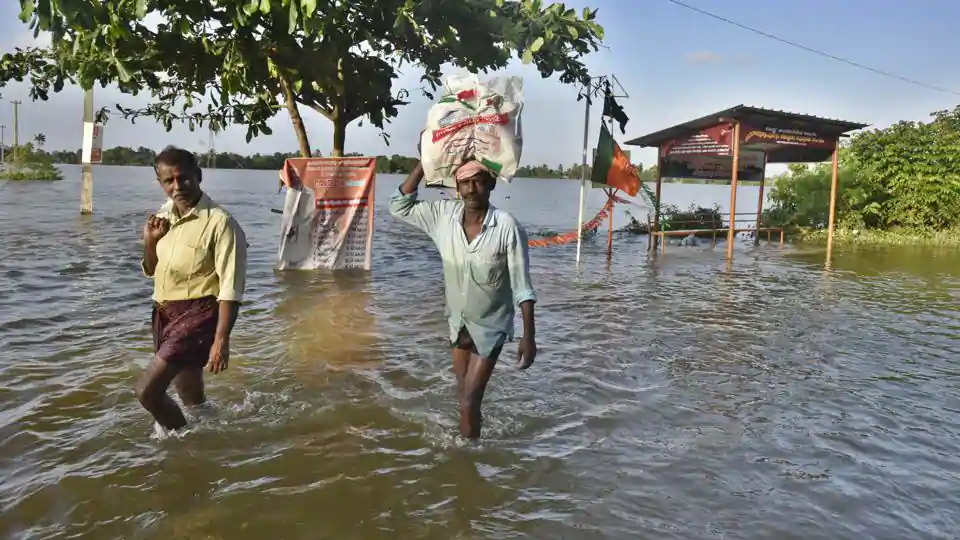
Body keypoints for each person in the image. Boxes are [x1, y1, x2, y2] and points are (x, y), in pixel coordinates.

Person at [389, 158, 537, 439]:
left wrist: (528, 337)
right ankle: (473, 441)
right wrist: (425, 162)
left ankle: (468, 459)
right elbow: (398, 205)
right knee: (464, 397)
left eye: (478, 181)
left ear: (491, 184)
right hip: (458, 323)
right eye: (465, 183)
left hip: (491, 326)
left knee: (469, 400)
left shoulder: (507, 227)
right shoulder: (443, 217)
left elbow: (523, 286)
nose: (471, 189)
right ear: (456, 188)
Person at [138, 146, 248, 434]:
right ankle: (213, 440)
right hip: (164, 313)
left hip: (199, 314)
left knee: (147, 393)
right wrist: (150, 241)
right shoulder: (162, 217)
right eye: (168, 181)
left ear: (198, 176)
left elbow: (231, 287)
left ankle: (181, 443)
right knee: (190, 397)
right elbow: (150, 269)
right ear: (160, 184)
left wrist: (221, 340)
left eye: (183, 178)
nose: (177, 187)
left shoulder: (221, 223)